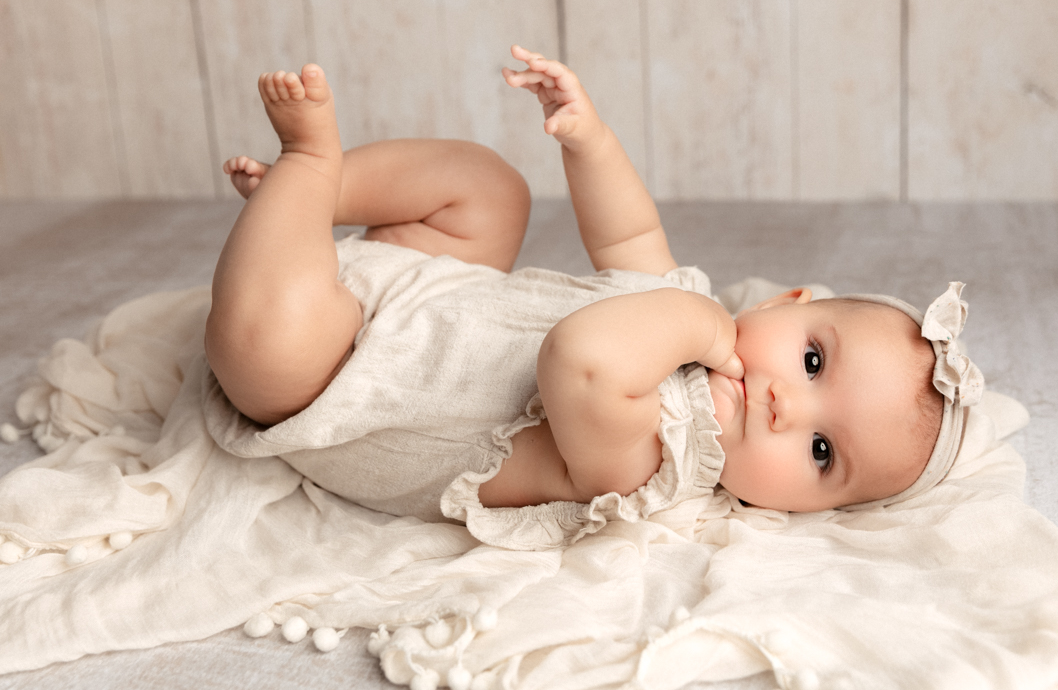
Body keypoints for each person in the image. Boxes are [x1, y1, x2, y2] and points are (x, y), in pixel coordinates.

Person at [204, 45, 983, 547]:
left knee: (267, 346)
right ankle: (303, 207)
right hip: (425, 277)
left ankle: (306, 168)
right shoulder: (685, 300)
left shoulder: (650, 464)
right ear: (786, 301)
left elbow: (580, 359)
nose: (786, 405)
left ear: (798, 511)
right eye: (812, 361)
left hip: (333, 383)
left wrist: (699, 326)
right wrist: (588, 138)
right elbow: (626, 236)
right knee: (488, 188)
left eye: (821, 452)